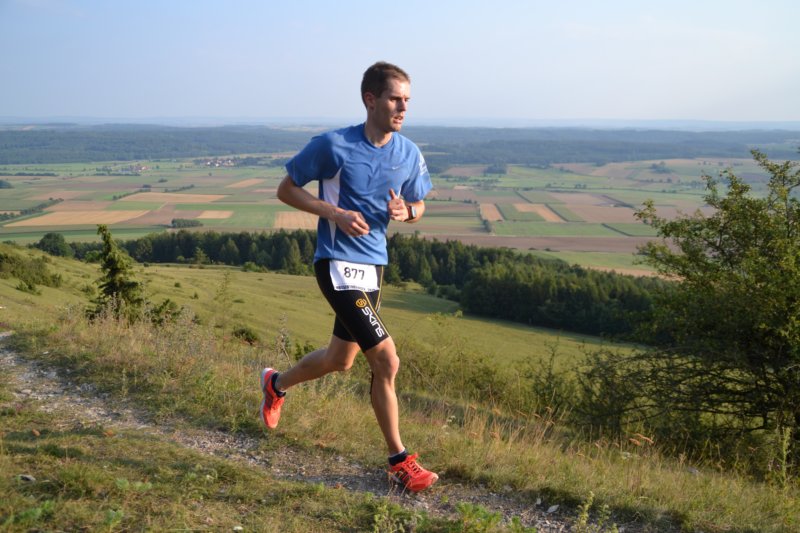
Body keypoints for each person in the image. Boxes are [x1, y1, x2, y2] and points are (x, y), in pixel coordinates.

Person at [260, 61, 438, 493]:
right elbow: (286, 189)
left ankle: (275, 384)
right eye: (395, 99)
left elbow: (419, 205)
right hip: (336, 262)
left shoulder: (409, 153)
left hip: (374, 266)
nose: (403, 108)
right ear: (370, 99)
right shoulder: (333, 145)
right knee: (387, 360)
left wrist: (408, 211)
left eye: (407, 100)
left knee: (341, 360)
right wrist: (334, 213)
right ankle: (399, 462)